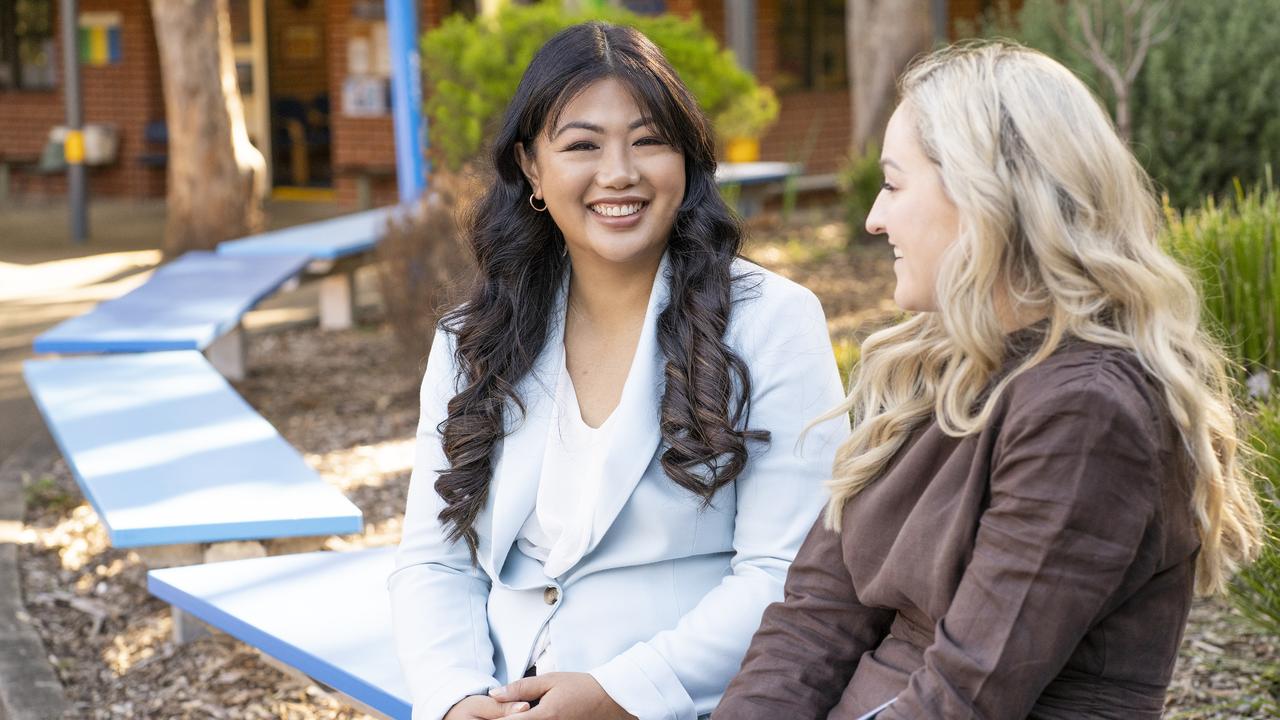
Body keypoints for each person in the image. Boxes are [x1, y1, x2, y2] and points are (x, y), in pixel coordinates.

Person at [715, 41, 1265, 720]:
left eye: (892, 183)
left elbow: (968, 694)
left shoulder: (1087, 411)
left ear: (985, 196)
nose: (872, 218)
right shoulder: (935, 367)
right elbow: (817, 617)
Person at [388, 21, 848, 720]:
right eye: (582, 145)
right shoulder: (471, 339)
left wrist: (620, 693)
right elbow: (433, 560)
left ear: (687, 162)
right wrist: (454, 697)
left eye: (649, 141)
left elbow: (785, 573)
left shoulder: (774, 322)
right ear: (533, 169)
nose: (619, 173)